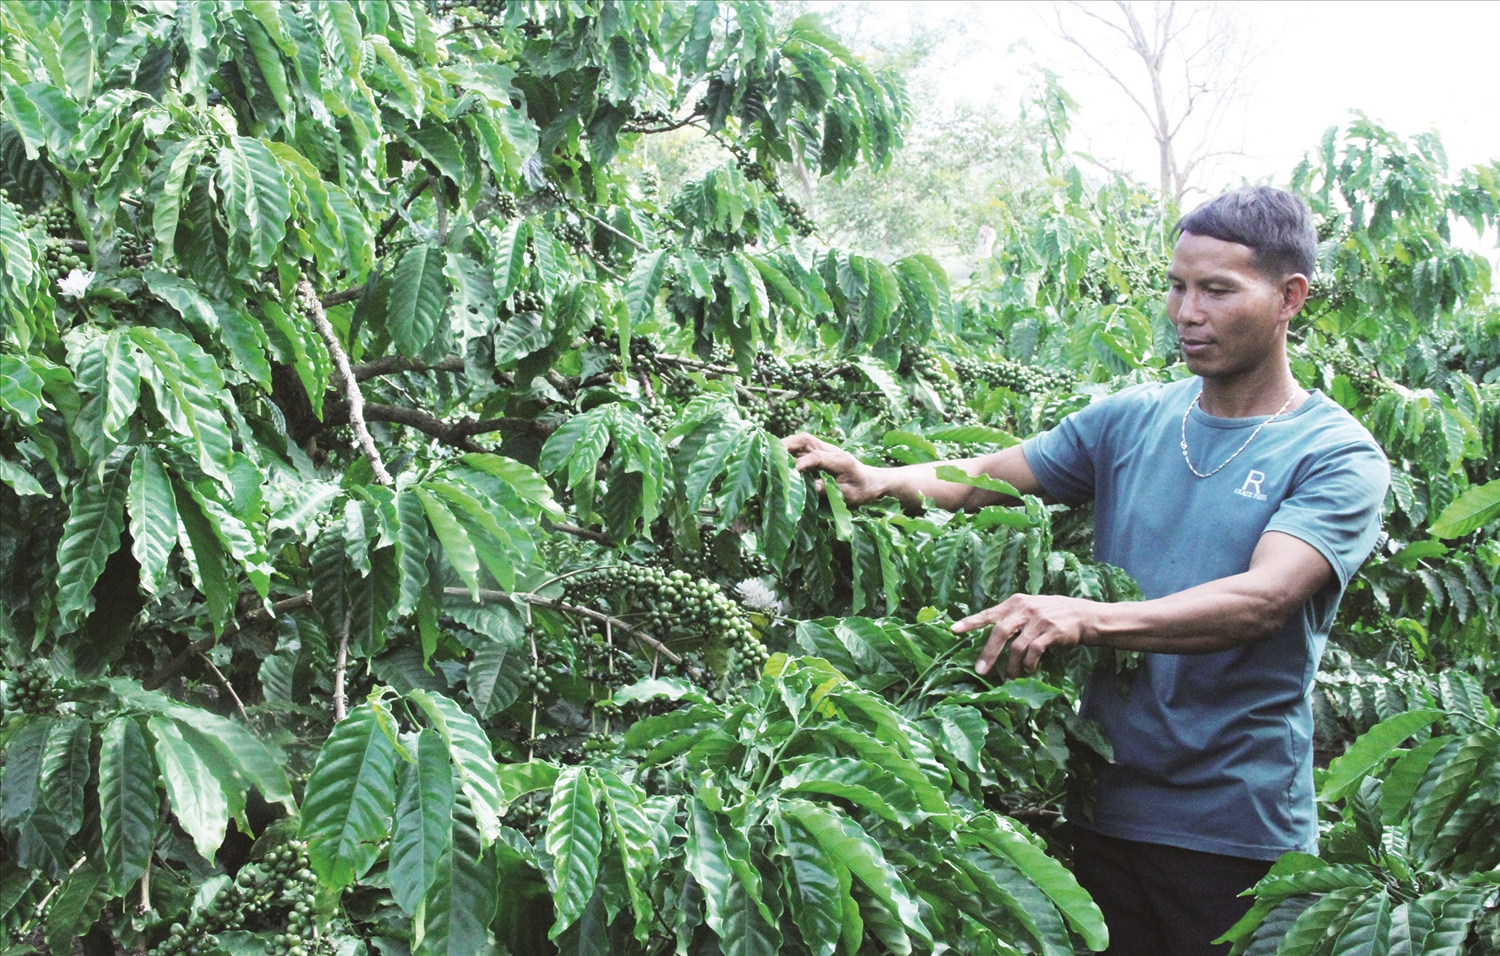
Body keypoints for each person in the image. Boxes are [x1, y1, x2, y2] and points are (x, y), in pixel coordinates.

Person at [783, 186, 1390, 956]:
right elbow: (983, 476)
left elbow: (1262, 601)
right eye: (1176, 286)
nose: (1186, 312)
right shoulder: (1133, 418)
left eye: (1216, 290)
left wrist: (1081, 615)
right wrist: (878, 477)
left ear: (1289, 297)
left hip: (1234, 828)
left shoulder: (1333, 454)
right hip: (1103, 807)